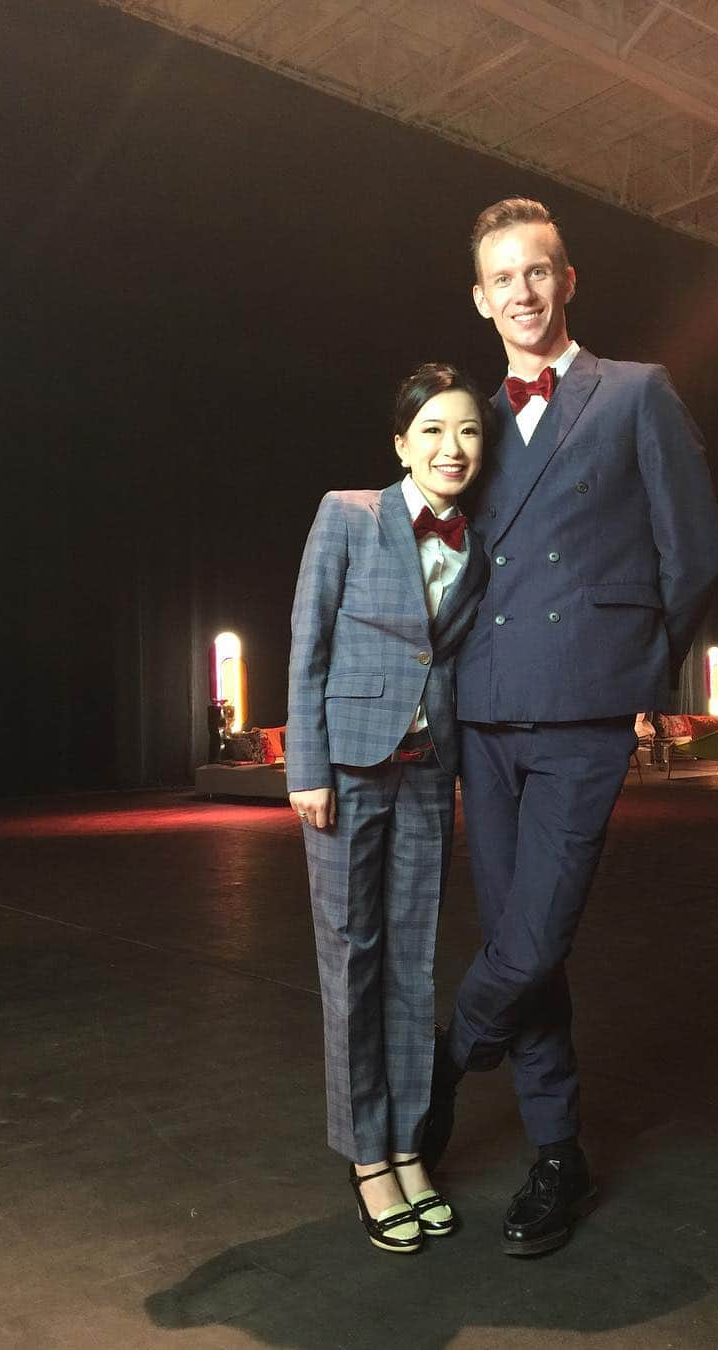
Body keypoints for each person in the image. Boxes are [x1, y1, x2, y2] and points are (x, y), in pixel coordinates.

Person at [423, 197, 718, 1256]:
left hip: (586, 706)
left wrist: (638, 672)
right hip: (485, 706)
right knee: (521, 940)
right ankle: (559, 1152)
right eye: (502, 276)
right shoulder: (467, 416)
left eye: (539, 271)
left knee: (538, 933)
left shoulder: (636, 392)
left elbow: (693, 552)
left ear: (568, 280)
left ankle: (443, 1060)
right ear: (479, 296)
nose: (522, 291)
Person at [287, 363, 489, 1254]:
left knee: (412, 965)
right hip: (349, 767)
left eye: (471, 432)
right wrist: (307, 766)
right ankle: (368, 1160)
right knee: (352, 961)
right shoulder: (349, 514)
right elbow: (309, 641)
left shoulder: (476, 544)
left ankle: (410, 1147)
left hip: (424, 772)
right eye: (435, 431)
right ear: (402, 443)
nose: (454, 448)